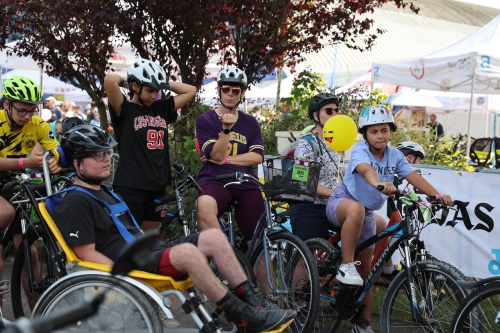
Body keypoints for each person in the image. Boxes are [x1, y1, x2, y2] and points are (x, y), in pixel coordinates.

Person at [51, 125, 294, 331]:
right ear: (77, 164)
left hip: (148, 252)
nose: (107, 158)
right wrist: (125, 275)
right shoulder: (76, 200)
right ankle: (239, 315)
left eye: (107, 152)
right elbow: (85, 255)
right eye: (98, 155)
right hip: (131, 264)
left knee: (213, 237)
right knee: (189, 253)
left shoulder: (105, 191)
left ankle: (253, 302)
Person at [325, 105, 453, 333]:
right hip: (343, 202)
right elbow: (366, 171)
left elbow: (413, 177)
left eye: (384, 130)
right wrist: (378, 184)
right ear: (365, 134)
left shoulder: (395, 155)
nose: (380, 135)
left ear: (391, 131)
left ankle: (362, 324)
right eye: (374, 131)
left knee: (367, 270)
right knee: (357, 209)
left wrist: (436, 195)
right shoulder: (359, 150)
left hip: (364, 215)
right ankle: (345, 266)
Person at [104, 58, 197, 231]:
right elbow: (110, 80)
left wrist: (161, 82)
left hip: (157, 187)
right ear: (134, 86)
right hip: (130, 187)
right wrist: (130, 79)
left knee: (153, 241)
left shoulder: (160, 108)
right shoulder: (123, 109)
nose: (154, 95)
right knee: (130, 242)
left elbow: (191, 91)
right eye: (149, 90)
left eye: (157, 90)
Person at [0, 76, 61, 306]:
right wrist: (23, 163)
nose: (28, 117)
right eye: (22, 111)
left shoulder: (38, 125)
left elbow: (56, 151)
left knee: (30, 255)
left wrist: (56, 161)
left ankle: (38, 318)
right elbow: (26, 162)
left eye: (32, 111)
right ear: (7, 104)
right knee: (4, 213)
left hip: (16, 189)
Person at [195, 68, 265, 243]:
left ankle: (257, 268)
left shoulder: (250, 122)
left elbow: (257, 156)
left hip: (245, 181)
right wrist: (226, 129)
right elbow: (216, 155)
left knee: (257, 240)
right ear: (218, 90)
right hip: (215, 180)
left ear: (242, 93)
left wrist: (227, 160)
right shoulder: (206, 120)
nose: (230, 94)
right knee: (203, 205)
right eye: (225, 89)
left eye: (235, 91)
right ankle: (225, 258)